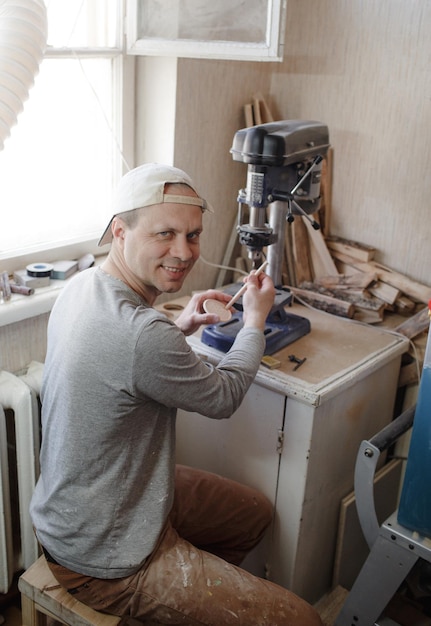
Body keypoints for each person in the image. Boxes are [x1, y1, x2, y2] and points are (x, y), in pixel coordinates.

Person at [30, 163, 322, 625]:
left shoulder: (82, 285)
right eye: (164, 234)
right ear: (120, 232)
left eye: (193, 235)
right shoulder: (142, 335)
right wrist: (254, 323)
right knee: (303, 619)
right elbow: (223, 397)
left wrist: (178, 325)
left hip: (80, 505)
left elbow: (126, 356)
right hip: (100, 558)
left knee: (253, 513)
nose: (184, 252)